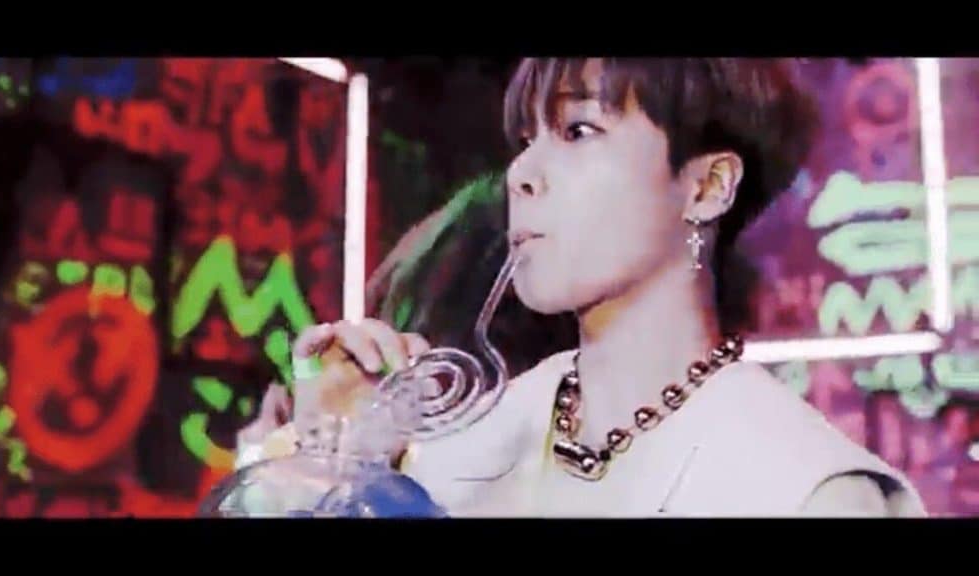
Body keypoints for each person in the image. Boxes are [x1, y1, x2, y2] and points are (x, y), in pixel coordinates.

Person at [235, 58, 927, 517]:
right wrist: (338, 457)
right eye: (525, 140)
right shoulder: (455, 449)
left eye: (578, 130)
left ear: (707, 186)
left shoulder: (803, 489)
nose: (522, 173)